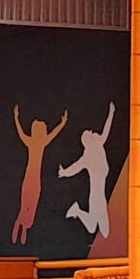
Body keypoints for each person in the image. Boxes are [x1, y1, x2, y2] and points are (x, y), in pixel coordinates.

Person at [10, 105, 68, 245]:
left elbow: (52, 133)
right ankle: (20, 223)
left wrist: (16, 117)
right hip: (32, 179)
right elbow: (22, 133)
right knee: (27, 203)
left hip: (34, 179)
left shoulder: (38, 142)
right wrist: (62, 123)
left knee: (31, 203)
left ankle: (24, 225)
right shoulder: (37, 142)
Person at [60, 100, 117, 240]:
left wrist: (111, 113)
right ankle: (77, 211)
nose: (94, 132)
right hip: (96, 196)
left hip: (99, 195)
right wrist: (64, 172)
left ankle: (76, 210)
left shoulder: (99, 145)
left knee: (98, 229)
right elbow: (75, 167)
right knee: (100, 230)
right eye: (91, 134)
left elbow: (106, 130)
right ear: (88, 141)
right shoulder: (88, 157)